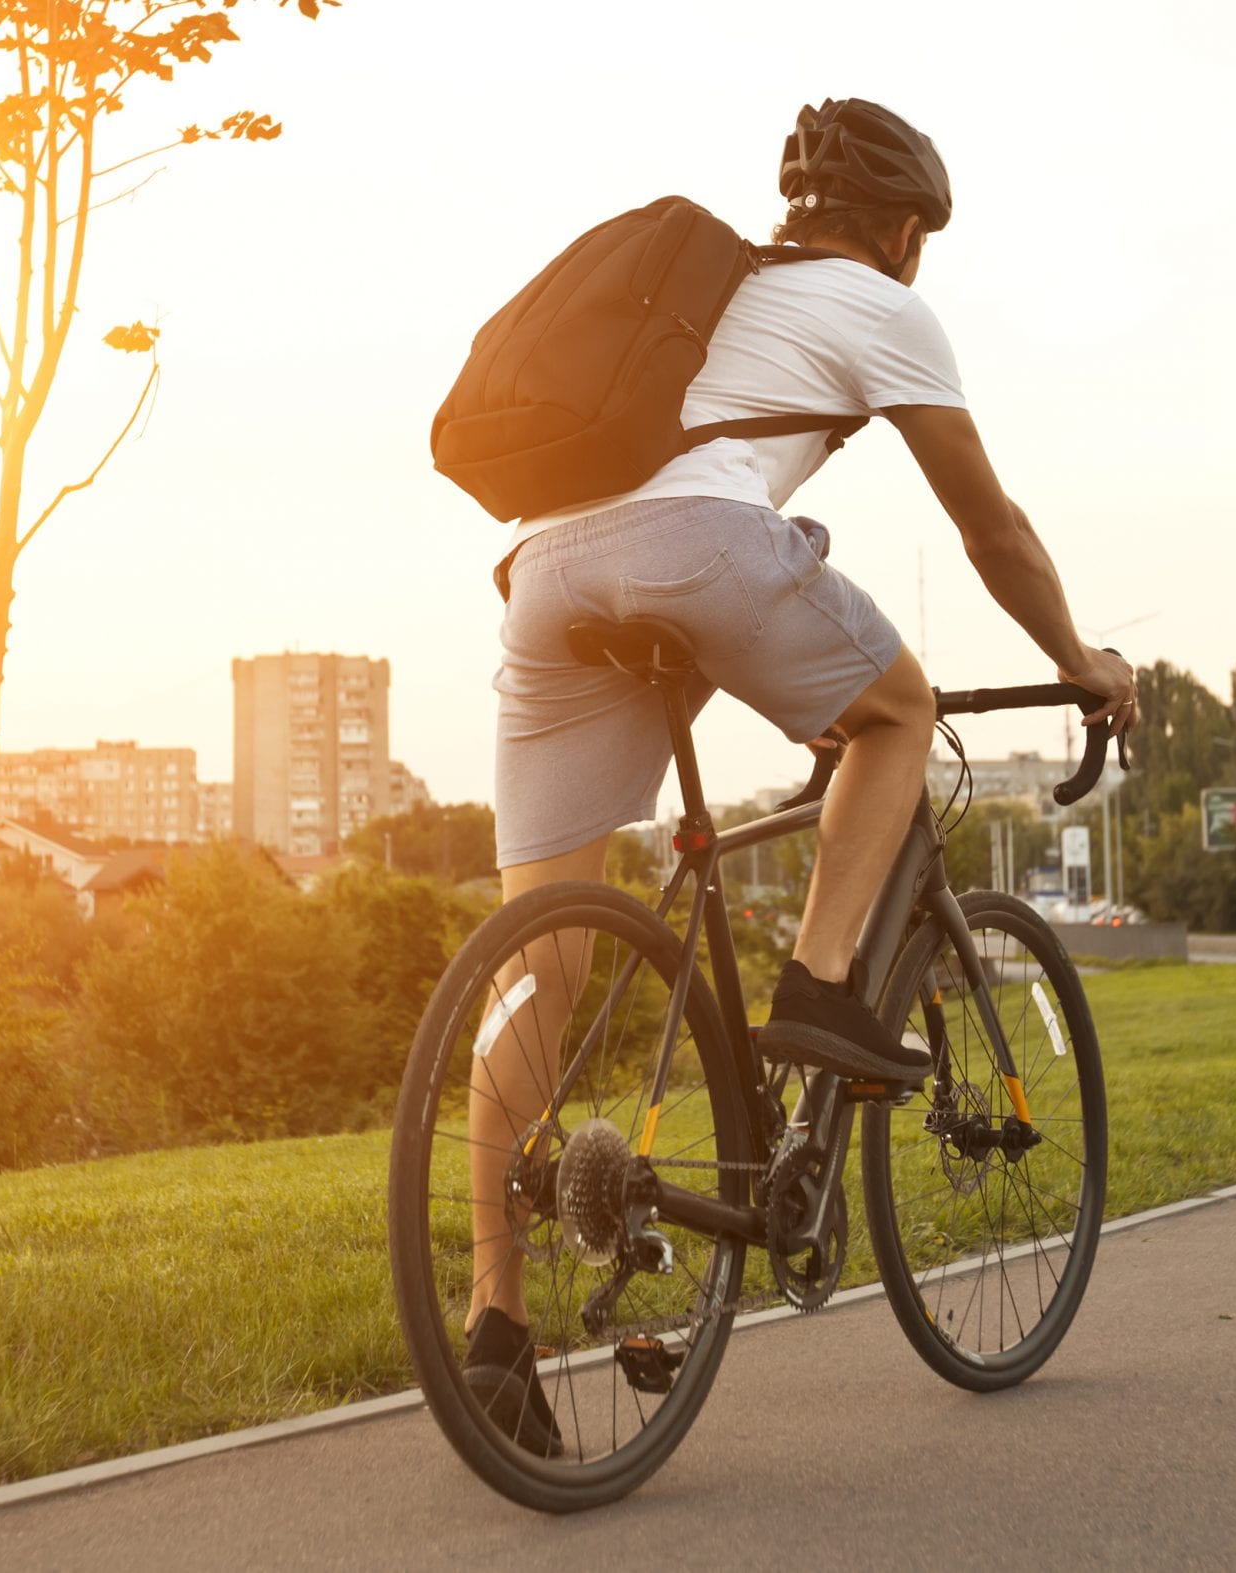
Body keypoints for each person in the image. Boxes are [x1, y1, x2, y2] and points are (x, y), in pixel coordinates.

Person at [461, 97, 1136, 1448]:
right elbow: (990, 526)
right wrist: (1082, 657)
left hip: (543, 572)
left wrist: (791, 692)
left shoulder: (723, 296)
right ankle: (824, 990)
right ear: (903, 233)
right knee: (900, 713)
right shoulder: (879, 303)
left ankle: (493, 1328)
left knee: (539, 967)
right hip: (692, 544)